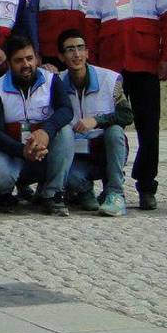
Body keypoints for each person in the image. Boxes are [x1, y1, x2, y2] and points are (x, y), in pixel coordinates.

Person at [85, 0, 167, 211]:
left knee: (149, 126)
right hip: (111, 65)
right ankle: (109, 183)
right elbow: (92, 22)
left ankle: (147, 185)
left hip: (145, 60)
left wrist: (166, 58)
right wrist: (93, 65)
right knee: (108, 124)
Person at [0, 35, 74, 215]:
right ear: (9, 63)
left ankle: (52, 194)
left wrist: (46, 131)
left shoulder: (51, 80)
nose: (26, 64)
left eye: (29, 58)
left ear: (37, 59)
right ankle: (3, 195)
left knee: (65, 131)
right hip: (14, 154)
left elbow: (66, 110)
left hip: (45, 153)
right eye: (19, 60)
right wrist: (23, 151)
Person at [55, 28, 131, 217]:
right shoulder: (55, 83)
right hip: (76, 153)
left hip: (104, 148)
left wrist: (97, 120)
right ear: (61, 56)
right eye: (70, 49)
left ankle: (115, 194)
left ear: (88, 52)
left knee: (115, 131)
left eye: (80, 48)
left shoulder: (110, 79)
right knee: (64, 174)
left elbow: (126, 115)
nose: (77, 54)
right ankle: (83, 191)